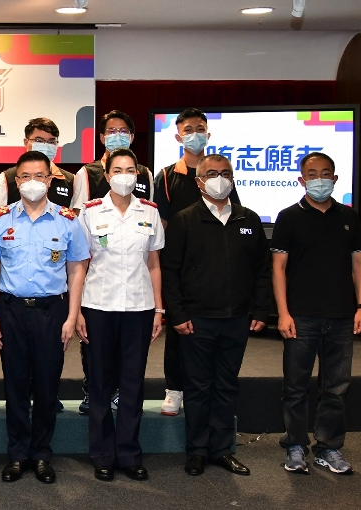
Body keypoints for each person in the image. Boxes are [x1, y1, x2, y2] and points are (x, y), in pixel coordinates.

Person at [160, 154, 268, 477]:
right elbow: (170, 271)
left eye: (225, 173)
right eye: (211, 174)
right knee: (197, 387)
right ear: (199, 181)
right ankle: (196, 450)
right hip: (196, 321)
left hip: (237, 320)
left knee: (226, 386)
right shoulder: (184, 220)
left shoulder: (249, 219)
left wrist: (261, 310)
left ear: (233, 179)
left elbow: (262, 270)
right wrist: (177, 314)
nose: (219, 179)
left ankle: (222, 450)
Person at [0, 151, 88, 484]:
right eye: (25, 177)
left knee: (47, 386)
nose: (33, 182)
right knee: (15, 384)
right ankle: (18, 454)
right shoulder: (0, 220)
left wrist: (72, 315)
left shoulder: (67, 220)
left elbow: (77, 269)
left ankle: (42, 454)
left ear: (50, 179)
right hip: (11, 310)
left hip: (52, 311)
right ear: (17, 181)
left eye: (39, 176)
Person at [271, 152, 361, 475]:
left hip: (341, 315)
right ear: (302, 180)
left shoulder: (349, 217)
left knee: (336, 388)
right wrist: (283, 313)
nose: (319, 180)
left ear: (335, 179)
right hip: (300, 317)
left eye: (326, 174)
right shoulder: (288, 217)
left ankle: (329, 446)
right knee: (295, 387)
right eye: (312, 174)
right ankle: (295, 444)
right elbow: (278, 268)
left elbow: (359, 263)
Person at [75, 148, 165, 482]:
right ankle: (102, 454)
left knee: (132, 383)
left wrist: (159, 308)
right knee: (100, 384)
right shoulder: (90, 212)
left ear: (137, 175)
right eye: (117, 170)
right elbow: (80, 264)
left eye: (130, 170)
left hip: (139, 308)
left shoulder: (150, 211)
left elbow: (154, 264)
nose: (124, 176)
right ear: (107, 175)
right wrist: (77, 310)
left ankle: (128, 453)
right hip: (98, 306)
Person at [150, 108, 241, 418]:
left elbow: (233, 214)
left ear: (208, 133)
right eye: (188, 129)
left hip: (214, 266)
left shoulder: (221, 173)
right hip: (181, 265)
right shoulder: (167, 176)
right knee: (178, 331)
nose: (195, 134)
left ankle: (207, 392)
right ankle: (174, 390)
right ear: (178, 137)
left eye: (200, 128)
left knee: (211, 340)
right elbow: (161, 223)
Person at [69, 110, 154, 415]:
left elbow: (151, 233)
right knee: (95, 345)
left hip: (134, 273)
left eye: (124, 130)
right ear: (102, 137)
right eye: (111, 131)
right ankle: (93, 389)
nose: (118, 135)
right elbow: (77, 220)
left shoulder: (145, 173)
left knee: (129, 354)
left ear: (132, 136)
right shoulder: (86, 172)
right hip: (98, 268)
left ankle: (120, 393)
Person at [0, 117, 77, 218]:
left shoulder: (70, 180)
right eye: (39, 140)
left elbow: (74, 218)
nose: (45, 145)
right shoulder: (7, 178)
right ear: (26, 142)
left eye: (51, 142)